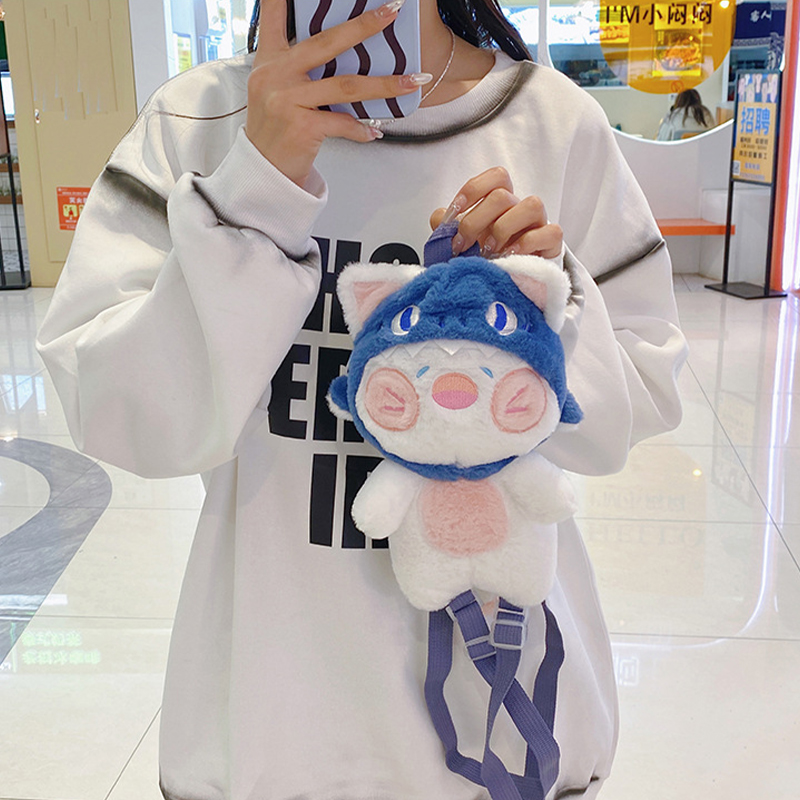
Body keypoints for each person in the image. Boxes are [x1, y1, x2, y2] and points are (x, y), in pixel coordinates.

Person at [36, 0, 687, 797]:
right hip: (275, 723)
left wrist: (539, 304)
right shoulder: (200, 120)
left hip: (499, 719)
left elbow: (631, 405)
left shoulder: (552, 124)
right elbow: (125, 416)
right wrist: (253, 191)